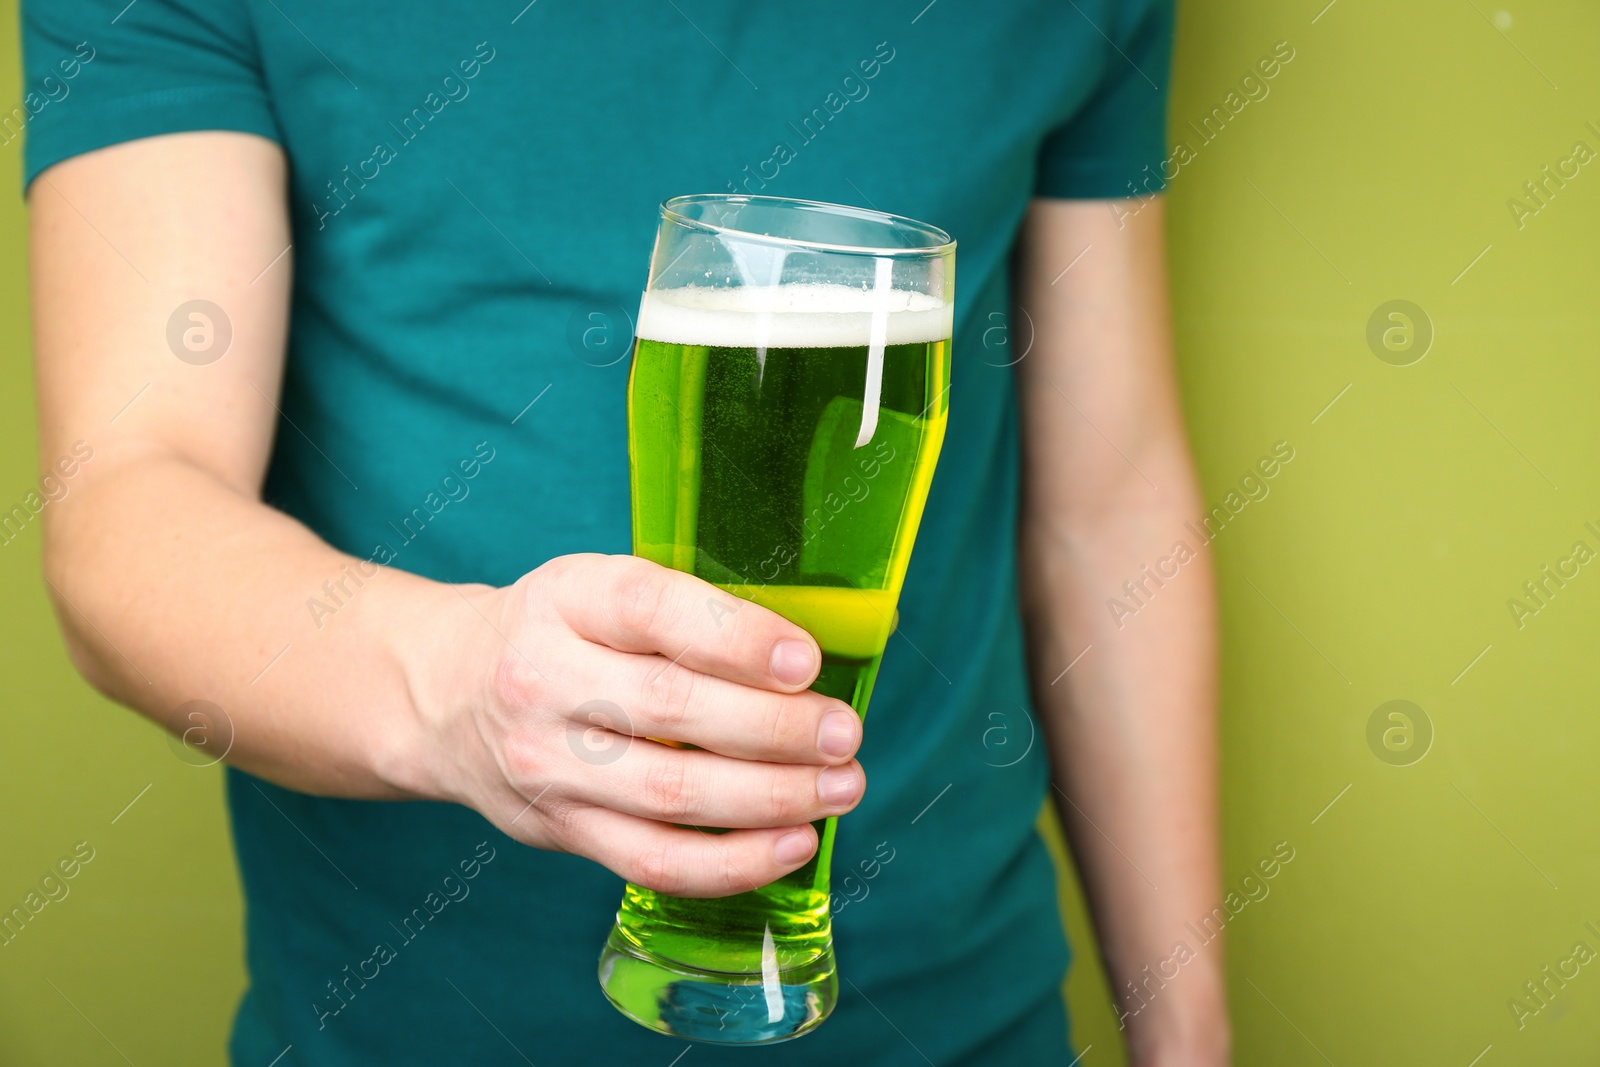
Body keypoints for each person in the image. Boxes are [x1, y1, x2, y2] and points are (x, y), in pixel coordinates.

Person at [24, 1, 1227, 1063]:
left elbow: (1105, 511)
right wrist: (458, 690)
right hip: (404, 1029)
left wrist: (1184, 1032)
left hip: (965, 1017)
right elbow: (131, 497)